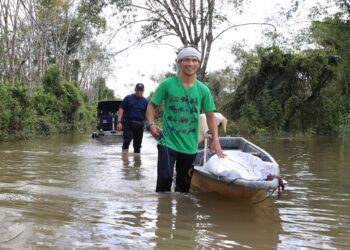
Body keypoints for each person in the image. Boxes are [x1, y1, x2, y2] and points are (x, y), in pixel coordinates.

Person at [146, 46, 225, 193]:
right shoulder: (167, 84)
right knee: (164, 181)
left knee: (183, 188)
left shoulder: (203, 90)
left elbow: (210, 115)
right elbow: (152, 106)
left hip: (189, 145)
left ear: (198, 64)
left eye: (194, 60)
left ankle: (182, 216)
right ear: (179, 63)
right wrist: (151, 125)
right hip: (167, 142)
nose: (191, 63)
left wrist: (216, 139)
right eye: (187, 60)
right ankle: (163, 215)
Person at [117, 83, 149, 153]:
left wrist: (150, 124)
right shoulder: (128, 98)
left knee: (137, 146)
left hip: (140, 125)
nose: (139, 92)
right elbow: (121, 109)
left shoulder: (146, 102)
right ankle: (125, 161)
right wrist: (119, 122)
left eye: (141, 90)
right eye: (138, 90)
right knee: (127, 140)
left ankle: (137, 162)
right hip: (128, 124)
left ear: (143, 91)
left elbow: (148, 114)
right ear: (135, 90)